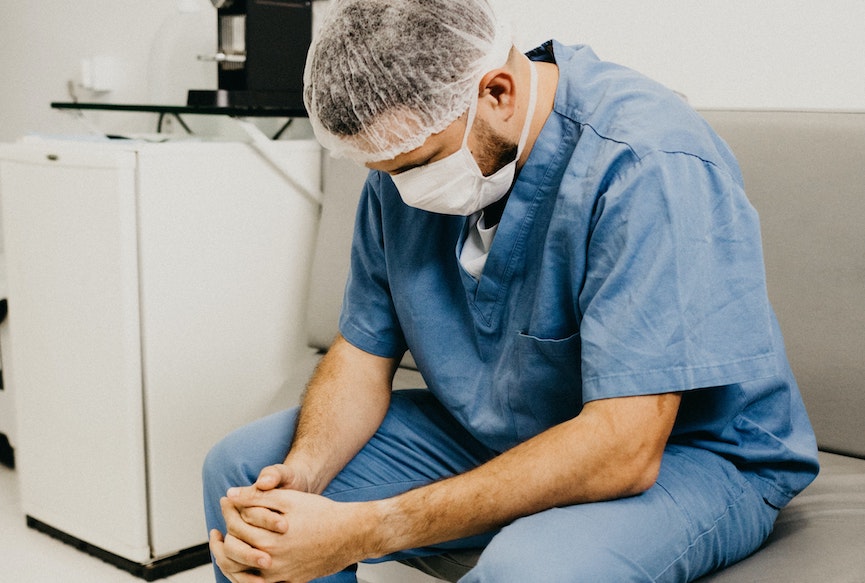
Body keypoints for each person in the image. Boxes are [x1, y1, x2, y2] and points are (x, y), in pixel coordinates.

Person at [203, 0, 819, 581]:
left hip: (694, 452)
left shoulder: (646, 162)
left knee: (528, 571)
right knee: (249, 479)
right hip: (502, 427)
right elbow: (362, 351)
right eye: (385, 172)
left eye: (418, 164)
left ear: (497, 92)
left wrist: (367, 528)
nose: (406, 190)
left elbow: (624, 448)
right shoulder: (403, 165)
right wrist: (305, 475)